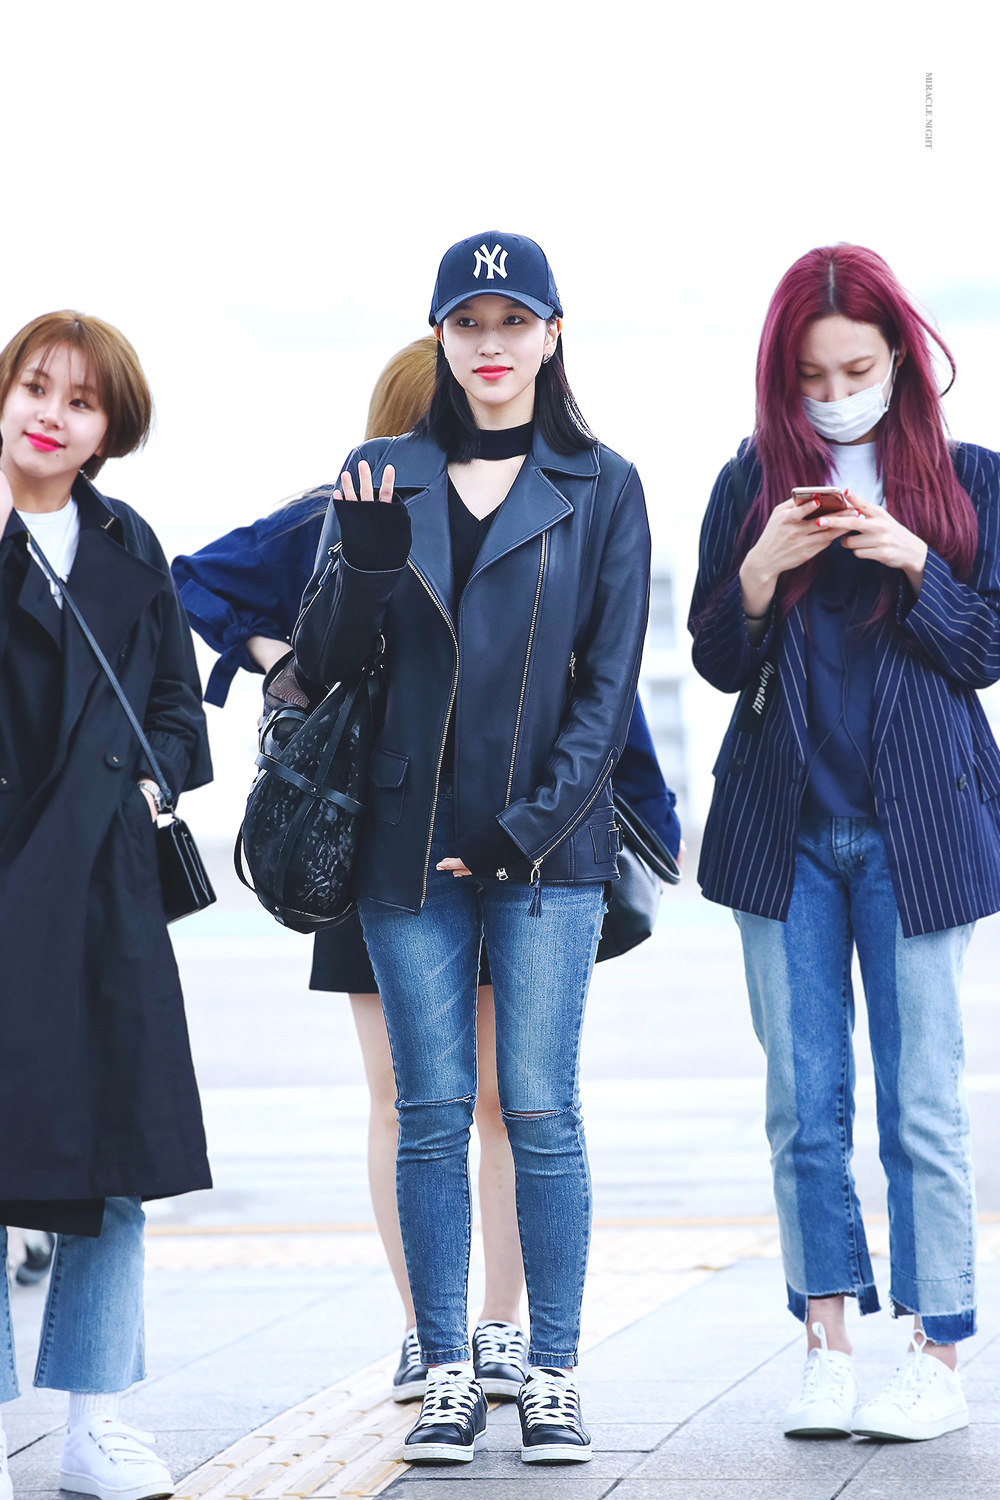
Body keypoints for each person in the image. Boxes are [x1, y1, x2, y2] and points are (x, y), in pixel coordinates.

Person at [171, 334, 680, 1411]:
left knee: (478, 1101)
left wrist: (621, 819)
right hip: (369, 832)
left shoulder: (558, 500)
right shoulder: (349, 506)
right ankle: (436, 1330)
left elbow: (596, 677)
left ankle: (482, 1330)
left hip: (499, 839)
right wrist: (286, 668)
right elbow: (199, 581)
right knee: (420, 1102)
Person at [290, 231, 651, 1467]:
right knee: (432, 1111)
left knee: (540, 1108)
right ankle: (444, 1368)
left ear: (552, 334)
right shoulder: (380, 474)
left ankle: (551, 1374)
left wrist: (525, 826)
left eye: (512, 321)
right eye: (467, 323)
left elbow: (606, 691)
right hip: (405, 847)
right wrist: (363, 568)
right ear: (439, 338)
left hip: (546, 855)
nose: (490, 345)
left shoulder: (602, 484)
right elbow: (321, 668)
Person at [689, 243, 1000, 1443]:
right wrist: (758, 574)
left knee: (920, 1102)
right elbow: (718, 660)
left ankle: (937, 1351)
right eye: (810, 377)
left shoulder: (968, 480)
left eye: (855, 371)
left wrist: (915, 562)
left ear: (900, 361)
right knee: (801, 1104)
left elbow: (984, 652)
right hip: (785, 835)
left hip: (918, 831)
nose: (833, 396)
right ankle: (825, 1345)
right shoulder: (749, 480)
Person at [0, 311, 212, 1500]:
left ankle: (96, 1423)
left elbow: (176, 709)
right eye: (35, 386)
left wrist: (142, 785)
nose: (51, 414)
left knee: (114, 1154)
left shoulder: (128, 542)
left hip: (99, 888)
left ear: (108, 431)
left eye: (80, 402)